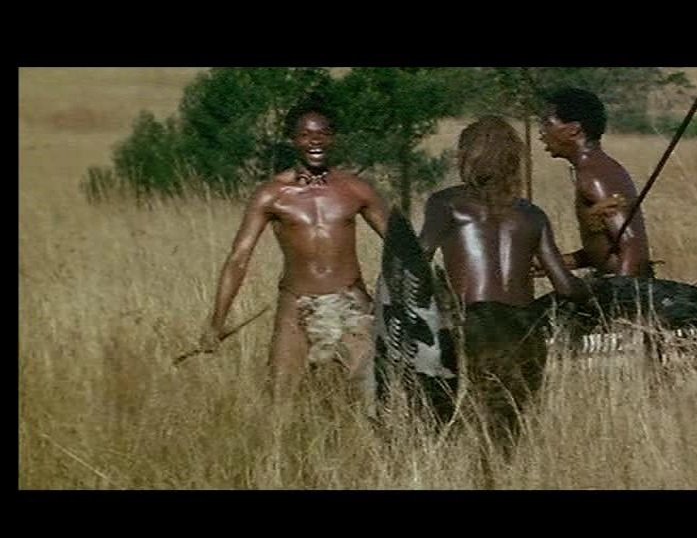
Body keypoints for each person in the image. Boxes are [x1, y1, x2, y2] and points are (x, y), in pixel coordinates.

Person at [199, 99, 389, 415]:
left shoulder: (356, 190)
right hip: (296, 305)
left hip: (351, 303)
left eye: (323, 133)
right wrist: (216, 323)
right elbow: (238, 258)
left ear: (333, 138)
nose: (315, 141)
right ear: (293, 140)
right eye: (305, 135)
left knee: (371, 397)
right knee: (279, 399)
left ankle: (369, 443)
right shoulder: (272, 194)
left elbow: (401, 247)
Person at [418, 115, 589, 436]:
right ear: (512, 161)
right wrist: (594, 286)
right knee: (507, 431)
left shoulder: (447, 204)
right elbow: (566, 287)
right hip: (524, 332)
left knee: (455, 427)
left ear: (466, 157)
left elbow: (416, 263)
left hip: (469, 328)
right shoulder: (532, 215)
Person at [537, 87, 652, 277]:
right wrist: (552, 264)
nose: (541, 132)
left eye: (548, 124)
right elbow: (605, 250)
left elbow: (632, 249)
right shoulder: (593, 170)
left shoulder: (595, 176)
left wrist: (621, 293)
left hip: (623, 286)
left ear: (573, 130)